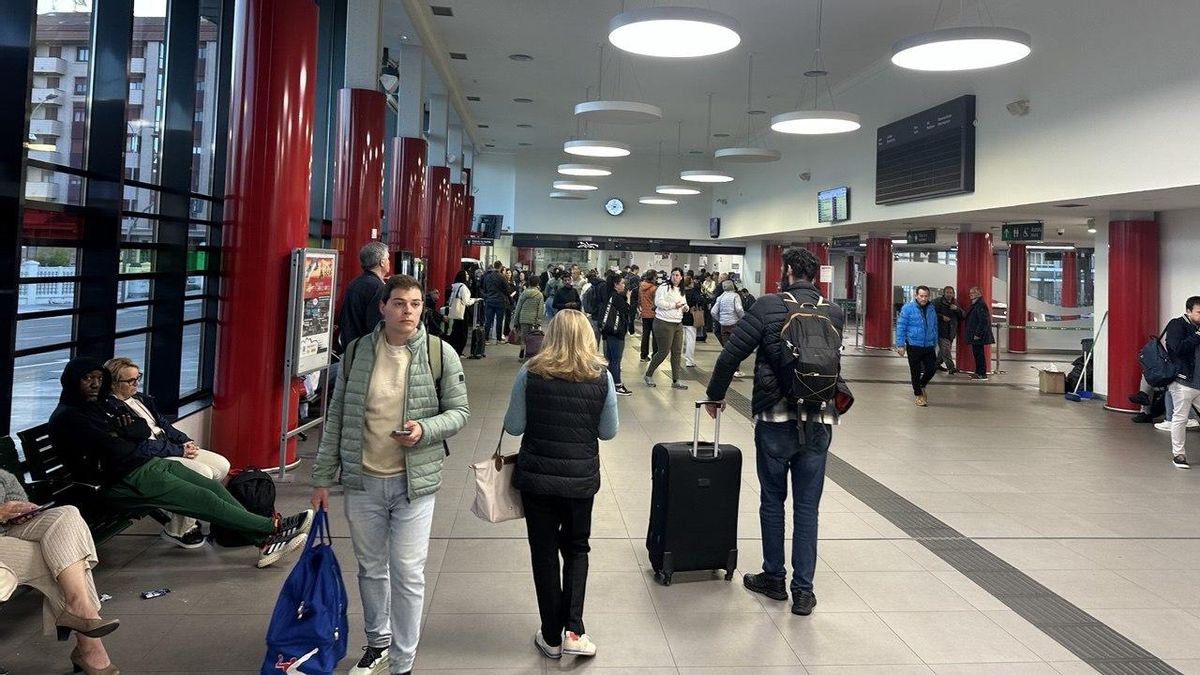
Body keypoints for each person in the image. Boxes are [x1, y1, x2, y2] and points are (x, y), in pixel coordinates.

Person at [311, 274, 470, 675]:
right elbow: (337, 419)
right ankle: (378, 641)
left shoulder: (440, 353)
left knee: (408, 572)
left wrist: (424, 429)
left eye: (415, 304)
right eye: (400, 303)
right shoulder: (356, 353)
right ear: (383, 307)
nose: (408, 311)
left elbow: (459, 412)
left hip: (414, 484)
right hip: (363, 480)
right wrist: (322, 478)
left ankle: (403, 659)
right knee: (370, 568)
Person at [48, 358, 312, 568]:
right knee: (201, 499)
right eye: (87, 379)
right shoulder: (71, 416)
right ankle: (272, 527)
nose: (94, 384)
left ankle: (265, 542)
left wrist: (126, 435)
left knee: (212, 488)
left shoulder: (99, 406)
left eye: (98, 378)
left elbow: (139, 431)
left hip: (144, 465)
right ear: (73, 382)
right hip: (119, 481)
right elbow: (116, 448)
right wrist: (124, 436)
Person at [703, 247, 844, 617]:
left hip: (776, 420)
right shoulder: (834, 312)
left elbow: (730, 355)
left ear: (789, 271)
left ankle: (774, 578)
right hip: (819, 421)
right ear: (814, 277)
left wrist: (715, 397)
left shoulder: (767, 306)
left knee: (772, 501)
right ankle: (804, 592)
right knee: (808, 508)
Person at [503, 309, 617, 661]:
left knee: (544, 553)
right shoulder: (601, 377)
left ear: (552, 336)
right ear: (588, 337)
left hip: (537, 479)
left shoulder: (530, 372)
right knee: (577, 550)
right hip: (580, 482)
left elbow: (514, 426)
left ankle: (550, 636)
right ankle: (574, 630)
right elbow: (608, 432)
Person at [102, 357, 231, 549]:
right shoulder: (113, 410)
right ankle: (179, 529)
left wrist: (185, 441)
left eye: (138, 378)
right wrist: (179, 450)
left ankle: (185, 515)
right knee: (202, 474)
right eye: (130, 381)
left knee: (222, 465)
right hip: (154, 456)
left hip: (170, 446)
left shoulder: (142, 399)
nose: (136, 383)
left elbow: (163, 424)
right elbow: (142, 446)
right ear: (113, 383)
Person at [1, 470, 119, 675]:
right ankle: (90, 648)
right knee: (59, 557)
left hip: (8, 529)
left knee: (67, 515)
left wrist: (19, 508)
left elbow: (8, 484)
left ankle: (78, 607)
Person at [1165, 296, 1200, 469]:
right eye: (1199, 312)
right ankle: (1179, 455)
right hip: (1183, 381)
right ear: (1188, 311)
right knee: (1180, 418)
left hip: (1199, 382)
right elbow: (1177, 348)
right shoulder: (1177, 325)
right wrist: (1197, 335)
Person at [338, 242, 390, 350]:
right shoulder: (378, 288)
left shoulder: (355, 282)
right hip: (366, 350)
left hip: (350, 346)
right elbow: (376, 326)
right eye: (388, 258)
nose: (389, 261)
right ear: (382, 262)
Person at [895, 285, 940, 406]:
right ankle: (918, 395)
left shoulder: (931, 308)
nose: (924, 299)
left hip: (929, 345)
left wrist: (935, 341)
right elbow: (901, 327)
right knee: (915, 371)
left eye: (926, 296)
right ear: (916, 296)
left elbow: (934, 326)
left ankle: (922, 384)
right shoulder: (907, 308)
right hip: (914, 345)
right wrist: (900, 344)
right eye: (921, 296)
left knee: (932, 368)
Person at [644, 268, 689, 390]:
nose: (675, 277)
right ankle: (648, 374)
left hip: (677, 323)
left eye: (677, 275)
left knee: (677, 352)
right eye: (673, 275)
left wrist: (685, 308)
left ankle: (676, 380)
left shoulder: (681, 289)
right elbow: (658, 302)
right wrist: (674, 305)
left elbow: (684, 303)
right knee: (663, 351)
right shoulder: (664, 287)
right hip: (664, 322)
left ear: (681, 277)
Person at [599, 274, 633, 396]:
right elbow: (627, 310)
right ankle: (617, 385)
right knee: (616, 360)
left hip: (607, 332)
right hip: (616, 333)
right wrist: (628, 298)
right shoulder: (616, 297)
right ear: (616, 284)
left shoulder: (607, 295)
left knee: (609, 358)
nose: (624, 285)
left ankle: (608, 383)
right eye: (622, 283)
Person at [711, 280, 747, 376]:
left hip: (724, 325)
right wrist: (742, 318)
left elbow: (713, 312)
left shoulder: (720, 297)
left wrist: (720, 319)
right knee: (735, 348)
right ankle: (736, 370)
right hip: (734, 325)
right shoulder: (735, 296)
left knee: (727, 348)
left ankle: (726, 369)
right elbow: (739, 309)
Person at [964, 286, 995, 381]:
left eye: (973, 292)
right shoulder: (975, 304)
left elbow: (983, 321)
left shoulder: (980, 304)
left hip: (978, 336)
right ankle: (978, 372)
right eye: (970, 292)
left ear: (979, 293)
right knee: (977, 354)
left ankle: (982, 374)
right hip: (975, 335)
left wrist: (978, 334)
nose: (971, 294)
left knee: (979, 354)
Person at [446, 270, 480, 356]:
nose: (468, 276)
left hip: (455, 311)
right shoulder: (463, 287)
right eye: (466, 274)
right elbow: (466, 302)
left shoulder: (455, 286)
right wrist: (475, 300)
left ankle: (451, 349)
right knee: (462, 332)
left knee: (455, 331)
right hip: (462, 312)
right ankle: (459, 351)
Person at [932, 286, 964, 374]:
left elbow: (963, 315)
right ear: (944, 293)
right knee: (946, 350)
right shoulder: (937, 302)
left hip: (951, 331)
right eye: (947, 292)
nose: (949, 294)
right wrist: (942, 317)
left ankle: (936, 364)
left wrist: (956, 309)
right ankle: (951, 368)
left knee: (944, 350)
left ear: (953, 294)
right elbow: (931, 313)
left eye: (951, 293)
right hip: (941, 330)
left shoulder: (955, 303)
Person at [513, 277, 545, 359]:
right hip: (533, 319)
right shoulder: (539, 295)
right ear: (538, 284)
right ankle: (530, 353)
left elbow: (518, 307)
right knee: (533, 337)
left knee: (524, 337)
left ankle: (522, 350)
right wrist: (539, 321)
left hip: (523, 318)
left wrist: (515, 321)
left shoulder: (524, 293)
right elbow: (540, 309)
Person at [481, 261, 508, 344]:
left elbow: (484, 288)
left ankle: (486, 339)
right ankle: (498, 339)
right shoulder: (502, 277)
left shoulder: (487, 277)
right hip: (500, 301)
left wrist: (487, 296)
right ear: (500, 267)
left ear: (493, 266)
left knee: (488, 320)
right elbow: (506, 289)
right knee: (499, 321)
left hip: (489, 300)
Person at [638, 270, 658, 361]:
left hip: (644, 314)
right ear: (653, 277)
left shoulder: (641, 287)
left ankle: (643, 355)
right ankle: (655, 356)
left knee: (645, 335)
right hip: (654, 314)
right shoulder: (654, 288)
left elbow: (639, 300)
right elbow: (657, 302)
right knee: (655, 336)